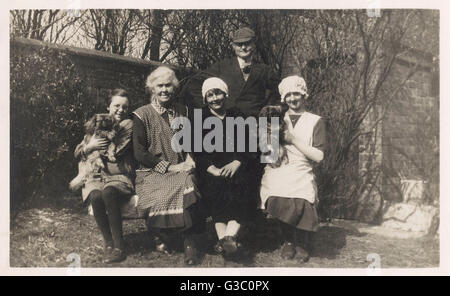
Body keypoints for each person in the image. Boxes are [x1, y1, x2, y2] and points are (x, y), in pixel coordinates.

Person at [132, 66, 203, 265]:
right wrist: (168, 167)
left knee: (189, 182)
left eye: (168, 86)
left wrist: (190, 158)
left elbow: (191, 142)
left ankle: (189, 244)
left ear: (174, 88)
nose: (164, 90)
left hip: (180, 167)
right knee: (164, 193)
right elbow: (139, 153)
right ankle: (161, 234)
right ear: (152, 88)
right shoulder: (141, 114)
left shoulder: (183, 111)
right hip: (151, 172)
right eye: (160, 86)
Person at [259, 75, 326, 262]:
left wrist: (292, 140)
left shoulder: (315, 120)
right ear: (283, 97)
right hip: (279, 166)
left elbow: (319, 156)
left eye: (296, 94)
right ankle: (289, 240)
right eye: (288, 95)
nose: (293, 99)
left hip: (302, 166)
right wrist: (273, 145)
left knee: (302, 195)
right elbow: (268, 154)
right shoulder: (275, 116)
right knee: (275, 192)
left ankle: (302, 242)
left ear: (304, 95)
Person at [193, 77, 253, 257]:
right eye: (210, 95)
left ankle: (226, 239)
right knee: (215, 191)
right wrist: (211, 168)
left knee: (242, 188)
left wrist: (237, 162)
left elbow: (249, 145)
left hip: (237, 167)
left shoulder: (237, 115)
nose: (214, 98)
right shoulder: (199, 118)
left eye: (218, 93)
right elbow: (197, 151)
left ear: (225, 94)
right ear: (205, 99)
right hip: (212, 169)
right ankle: (227, 239)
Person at [74, 88, 135, 263]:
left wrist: (96, 145)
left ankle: (119, 246)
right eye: (116, 105)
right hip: (97, 176)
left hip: (121, 175)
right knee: (95, 195)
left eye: (125, 107)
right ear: (108, 107)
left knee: (108, 192)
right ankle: (108, 242)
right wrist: (88, 146)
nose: (120, 110)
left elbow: (119, 149)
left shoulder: (128, 125)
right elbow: (78, 151)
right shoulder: (99, 123)